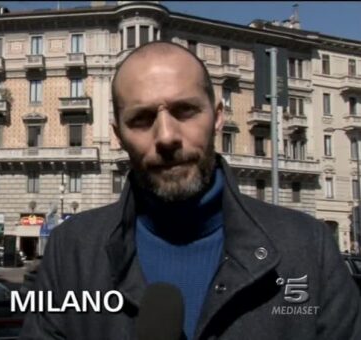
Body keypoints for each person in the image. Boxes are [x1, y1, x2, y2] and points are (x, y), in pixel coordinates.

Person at [19, 41, 361, 339]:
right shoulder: (71, 250)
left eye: (185, 110)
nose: (166, 136)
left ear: (217, 117)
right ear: (118, 135)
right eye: (141, 119)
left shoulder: (308, 248)